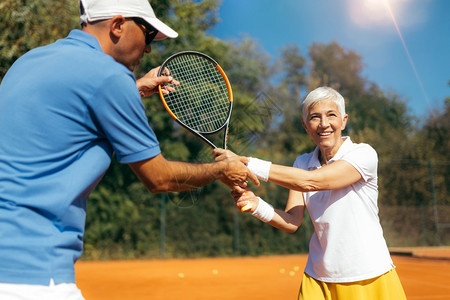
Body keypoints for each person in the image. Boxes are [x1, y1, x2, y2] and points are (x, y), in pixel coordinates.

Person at [0, 0, 258, 299]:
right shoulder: (109, 76)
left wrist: (131, 90)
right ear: (118, 25)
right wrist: (220, 170)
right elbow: (158, 178)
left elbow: (67, 114)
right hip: (32, 271)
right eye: (147, 34)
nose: (148, 49)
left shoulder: (29, 61)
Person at [214, 86, 406, 299]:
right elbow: (292, 221)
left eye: (331, 115)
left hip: (368, 275)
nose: (324, 124)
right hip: (317, 277)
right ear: (306, 126)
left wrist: (246, 163)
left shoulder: (363, 154)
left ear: (343, 120)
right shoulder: (302, 163)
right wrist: (257, 205)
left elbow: (312, 182)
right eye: (315, 117)